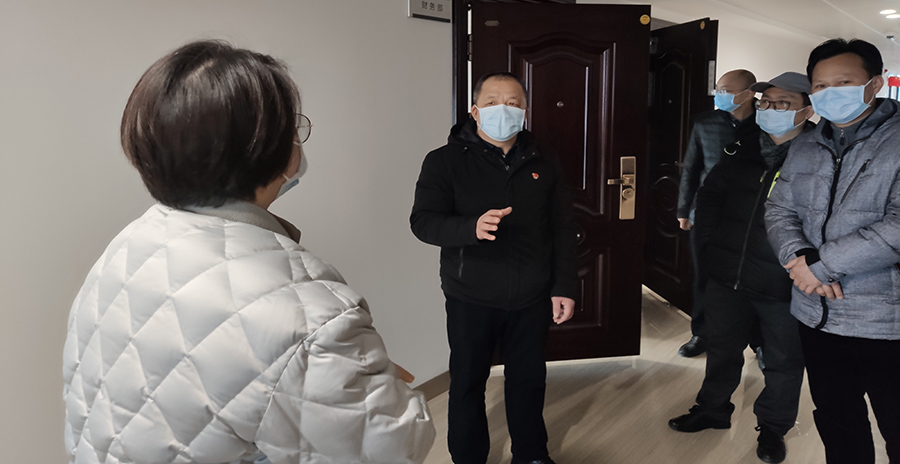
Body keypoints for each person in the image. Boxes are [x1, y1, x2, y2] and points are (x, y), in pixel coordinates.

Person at [62, 41, 435, 464]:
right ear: (265, 148)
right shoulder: (308, 316)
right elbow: (393, 448)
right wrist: (380, 384)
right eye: (292, 128)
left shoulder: (127, 247)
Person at [410, 72, 577, 464]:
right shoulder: (443, 161)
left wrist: (564, 286)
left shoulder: (544, 160)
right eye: (492, 102)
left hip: (532, 296)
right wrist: (470, 227)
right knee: (467, 384)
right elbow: (423, 222)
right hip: (470, 295)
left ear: (525, 111)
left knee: (529, 381)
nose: (504, 109)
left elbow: (563, 226)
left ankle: (532, 454)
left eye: (514, 103)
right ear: (474, 111)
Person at [766, 39, 900, 464]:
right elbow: (779, 208)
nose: (830, 93)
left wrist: (822, 267)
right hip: (816, 314)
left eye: (843, 82)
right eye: (821, 86)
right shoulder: (806, 144)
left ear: (874, 83)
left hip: (886, 319)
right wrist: (799, 259)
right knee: (838, 421)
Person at [669, 72, 814, 463]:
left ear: (807, 110)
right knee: (721, 348)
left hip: (783, 282)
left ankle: (772, 428)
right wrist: (710, 251)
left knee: (783, 361)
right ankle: (712, 409)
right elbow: (710, 196)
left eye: (783, 103)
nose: (770, 109)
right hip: (728, 273)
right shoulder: (741, 147)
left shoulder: (818, 155)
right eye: (766, 102)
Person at [676, 69, 759, 357]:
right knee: (704, 276)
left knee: (753, 278)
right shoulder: (705, 122)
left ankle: (758, 341)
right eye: (718, 88)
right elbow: (691, 168)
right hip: (706, 213)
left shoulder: (766, 123)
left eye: (726, 90)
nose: (719, 94)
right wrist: (683, 210)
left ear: (749, 93)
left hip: (751, 215)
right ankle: (701, 333)